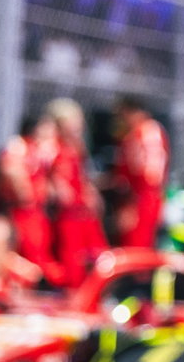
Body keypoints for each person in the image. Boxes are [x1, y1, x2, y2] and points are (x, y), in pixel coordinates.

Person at [45, 97, 108, 288]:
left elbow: (81, 176)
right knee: (72, 261)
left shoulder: (76, 147)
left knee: (98, 256)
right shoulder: (51, 146)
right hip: (68, 216)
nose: (77, 126)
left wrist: (90, 191)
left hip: (83, 214)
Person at [0, 114, 57, 272]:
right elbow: (10, 170)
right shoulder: (19, 146)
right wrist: (24, 191)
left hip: (36, 211)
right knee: (28, 249)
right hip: (20, 211)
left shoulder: (40, 149)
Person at [106, 96, 169, 248]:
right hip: (145, 198)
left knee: (135, 246)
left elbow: (148, 175)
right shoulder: (147, 131)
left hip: (141, 200)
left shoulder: (143, 133)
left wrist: (132, 205)